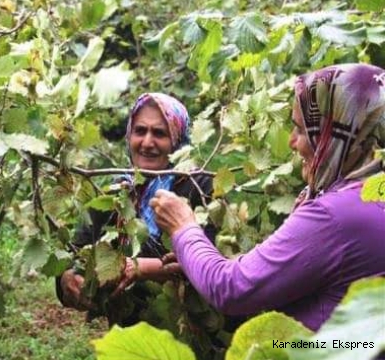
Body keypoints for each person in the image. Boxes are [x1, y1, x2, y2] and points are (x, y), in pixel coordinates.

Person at [151, 63, 385, 332]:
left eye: (302, 129)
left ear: (333, 135)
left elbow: (232, 288)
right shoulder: (371, 193)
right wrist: (193, 261)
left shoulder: (336, 216)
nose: (292, 142)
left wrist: (183, 227)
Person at [56, 93, 218, 331]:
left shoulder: (199, 186)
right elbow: (77, 248)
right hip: (129, 333)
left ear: (178, 139)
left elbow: (215, 267)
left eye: (160, 133)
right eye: (140, 131)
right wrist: (66, 278)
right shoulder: (117, 190)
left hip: (190, 331)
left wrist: (142, 268)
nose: (147, 142)